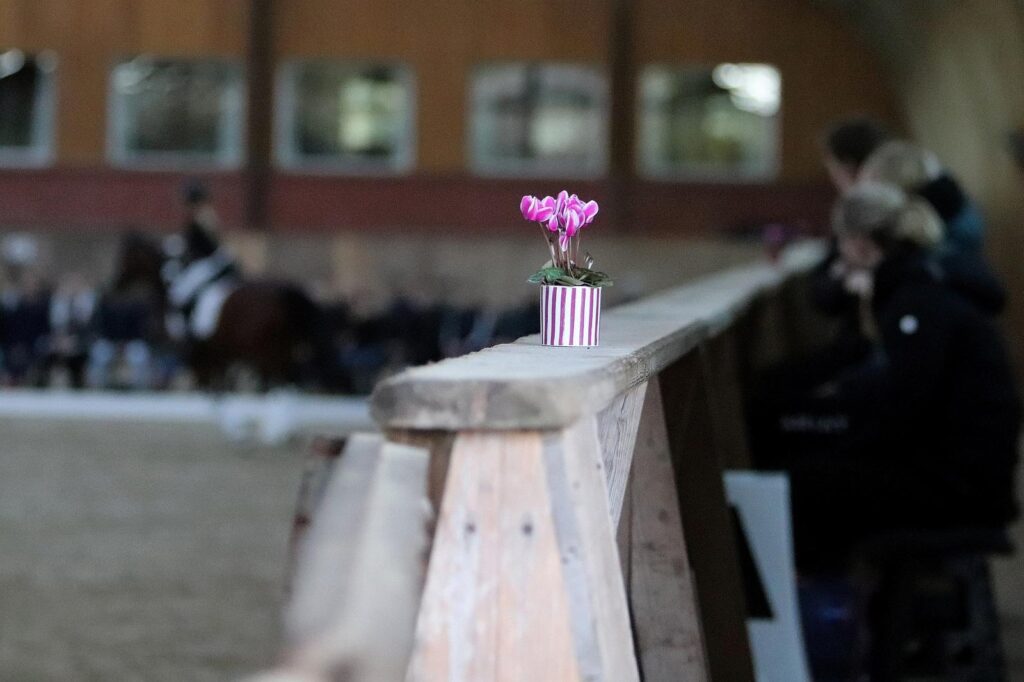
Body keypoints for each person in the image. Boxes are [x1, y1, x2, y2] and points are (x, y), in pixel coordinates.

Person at [760, 182, 1020, 568]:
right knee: (813, 464)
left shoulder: (915, 304)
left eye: (842, 245)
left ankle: (831, 612)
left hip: (964, 485)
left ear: (862, 244)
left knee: (805, 481)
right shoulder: (916, 288)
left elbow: (901, 410)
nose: (840, 260)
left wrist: (822, 423)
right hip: (961, 471)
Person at [166, 181, 240, 341]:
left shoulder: (203, 216)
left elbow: (207, 244)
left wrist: (178, 244)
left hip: (211, 262)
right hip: (208, 261)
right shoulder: (201, 216)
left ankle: (190, 329)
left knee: (179, 292)